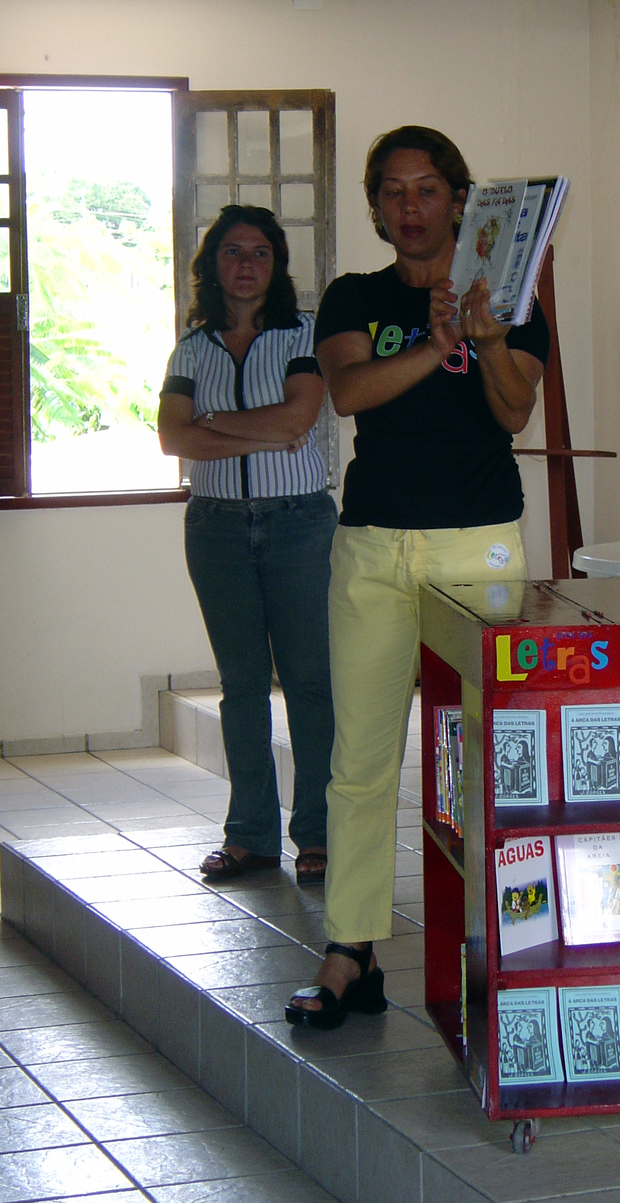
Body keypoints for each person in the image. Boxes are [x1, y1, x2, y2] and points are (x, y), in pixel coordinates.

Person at [284, 126, 550, 1029]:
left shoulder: (507, 295)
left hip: (477, 547)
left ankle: (495, 945)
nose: (410, 207)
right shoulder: (354, 296)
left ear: (459, 199)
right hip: (372, 549)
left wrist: (489, 335)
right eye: (392, 192)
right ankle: (350, 949)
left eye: (427, 189)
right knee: (360, 762)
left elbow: (514, 410)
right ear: (375, 208)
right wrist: (437, 343)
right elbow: (351, 392)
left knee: (483, 760)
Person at [157, 204, 337, 888]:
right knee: (240, 686)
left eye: (261, 253)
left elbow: (301, 415)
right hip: (216, 528)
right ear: (213, 265)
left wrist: (218, 422)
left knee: (310, 684)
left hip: (298, 523)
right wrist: (262, 431)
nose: (247, 264)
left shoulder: (303, 333)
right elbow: (175, 438)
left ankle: (316, 832)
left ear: (276, 266)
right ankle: (251, 834)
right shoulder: (192, 347)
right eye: (233, 251)